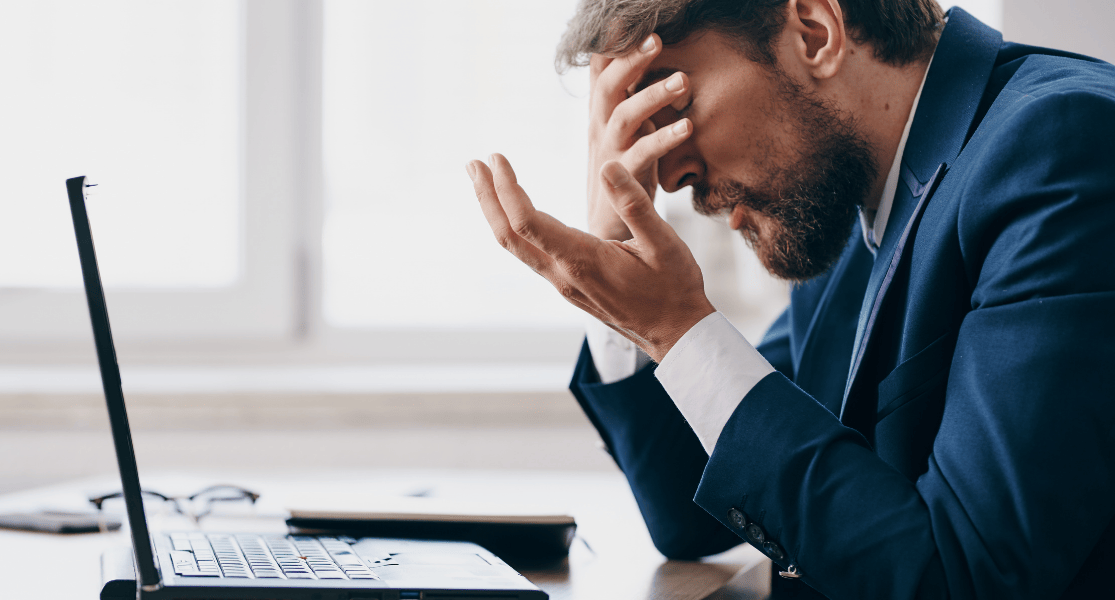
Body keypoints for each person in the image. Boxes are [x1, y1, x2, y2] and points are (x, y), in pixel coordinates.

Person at [465, 0, 1115, 597]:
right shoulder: (854, 195)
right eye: (641, 128)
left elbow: (966, 577)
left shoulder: (1061, 147)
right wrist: (623, 300)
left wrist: (678, 329)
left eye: (674, 106)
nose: (667, 174)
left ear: (814, 33)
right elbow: (693, 512)